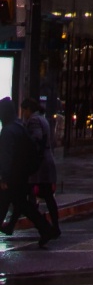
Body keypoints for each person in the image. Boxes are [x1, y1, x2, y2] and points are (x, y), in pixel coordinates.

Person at [0, 95, 52, 245]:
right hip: (22, 174)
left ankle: (45, 229)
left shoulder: (8, 131)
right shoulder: (19, 126)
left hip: (13, 176)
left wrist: (4, 177)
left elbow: (6, 156)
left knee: (16, 203)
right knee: (19, 204)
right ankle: (45, 229)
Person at [20, 95, 59, 238]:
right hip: (46, 161)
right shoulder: (43, 119)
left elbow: (36, 139)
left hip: (40, 164)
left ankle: (45, 225)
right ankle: (54, 226)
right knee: (47, 196)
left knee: (26, 194)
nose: (23, 114)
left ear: (28, 109)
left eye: (23, 111)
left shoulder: (34, 121)